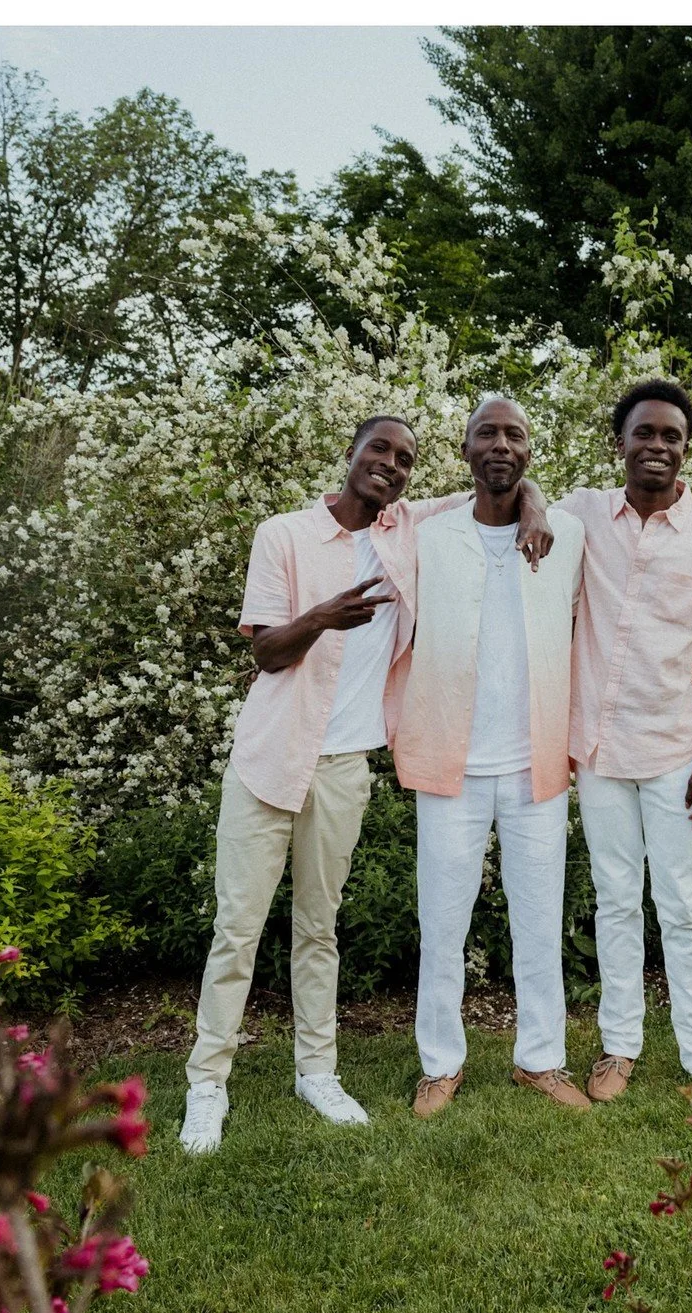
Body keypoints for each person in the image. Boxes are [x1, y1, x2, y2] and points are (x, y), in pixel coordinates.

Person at [179, 415, 551, 1153]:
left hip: (345, 766)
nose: (391, 465)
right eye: (379, 450)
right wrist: (322, 616)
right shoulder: (283, 535)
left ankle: (316, 1070)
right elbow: (267, 655)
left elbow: (496, 487)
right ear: (350, 453)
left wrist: (535, 502)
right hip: (269, 759)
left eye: (405, 458)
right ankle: (206, 1084)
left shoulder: (405, 529)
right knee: (238, 929)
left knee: (320, 929)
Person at [554, 379, 692, 1110]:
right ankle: (619, 1046)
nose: (658, 446)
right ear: (620, 442)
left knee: (681, 902)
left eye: (671, 436)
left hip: (678, 747)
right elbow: (514, 503)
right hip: (599, 748)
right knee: (614, 900)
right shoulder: (582, 515)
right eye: (644, 433)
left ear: (685, 449)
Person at [390, 397, 590, 1117]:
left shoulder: (564, 532)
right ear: (465, 448)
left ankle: (541, 1060)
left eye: (514, 435)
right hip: (451, 763)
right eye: (486, 434)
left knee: (540, 918)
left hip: (537, 762)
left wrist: (535, 506)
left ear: (531, 450)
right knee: (443, 922)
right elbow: (374, 516)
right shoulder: (429, 532)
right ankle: (439, 1065)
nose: (500, 444)